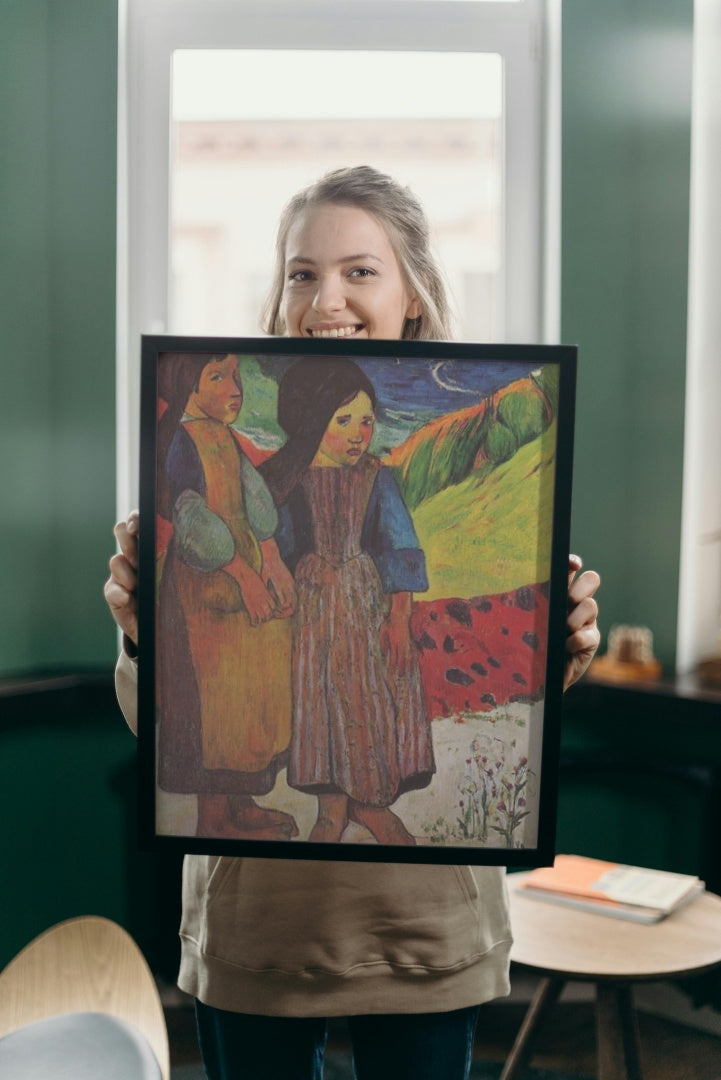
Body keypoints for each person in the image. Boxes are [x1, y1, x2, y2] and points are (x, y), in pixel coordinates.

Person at [105, 165, 601, 1080]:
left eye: (359, 271)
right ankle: (335, 805)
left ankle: (362, 808)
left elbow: (409, 566)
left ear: (413, 291)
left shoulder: (391, 472)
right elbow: (163, 720)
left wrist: (557, 653)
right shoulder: (242, 469)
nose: (324, 297)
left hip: (424, 930)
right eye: (301, 272)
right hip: (257, 928)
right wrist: (147, 633)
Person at [261, 357, 434, 846]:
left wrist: (399, 619)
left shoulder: (378, 480)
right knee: (322, 706)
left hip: (366, 610)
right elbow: (276, 545)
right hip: (313, 615)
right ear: (311, 420)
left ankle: (373, 806)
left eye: (366, 420)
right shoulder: (287, 485)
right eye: (344, 421)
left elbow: (401, 551)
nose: (360, 434)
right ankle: (332, 810)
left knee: (368, 701)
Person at [155, 351, 297, 841]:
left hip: (245, 580)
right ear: (188, 388)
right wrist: (244, 573)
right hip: (207, 588)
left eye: (236, 375)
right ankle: (214, 820)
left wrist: (273, 560)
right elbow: (194, 525)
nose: (234, 387)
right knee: (215, 706)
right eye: (218, 377)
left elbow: (256, 498)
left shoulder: (225, 437)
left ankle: (241, 802)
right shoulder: (182, 442)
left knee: (247, 696)